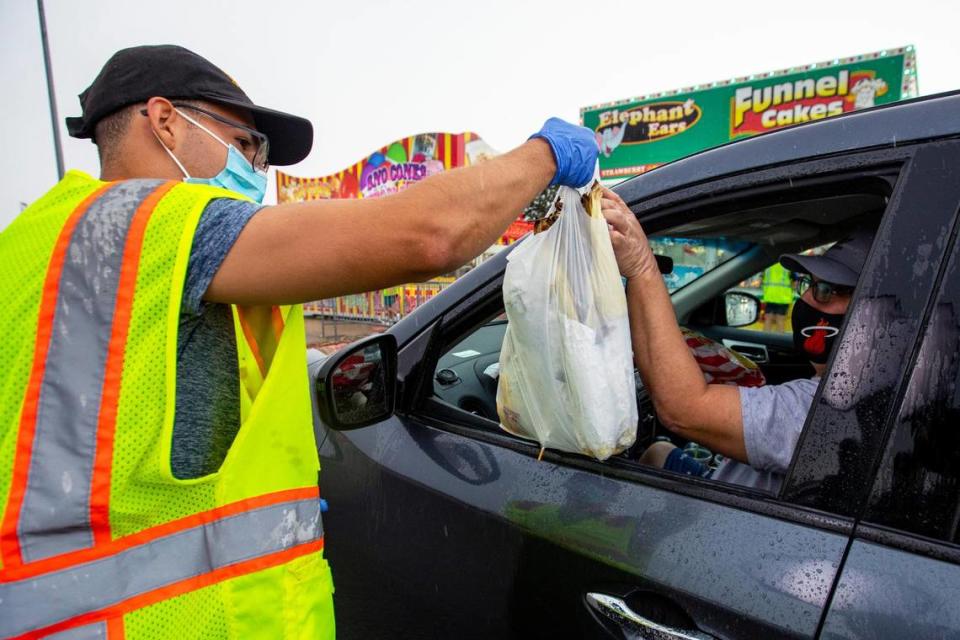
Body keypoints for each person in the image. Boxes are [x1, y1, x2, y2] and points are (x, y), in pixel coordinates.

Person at [0, 45, 598, 639]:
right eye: (246, 145)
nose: (256, 170)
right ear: (164, 123)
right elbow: (426, 236)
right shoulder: (154, 223)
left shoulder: (36, 242)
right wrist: (542, 155)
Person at [598, 187, 873, 493]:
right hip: (734, 488)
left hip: (727, 518)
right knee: (657, 452)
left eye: (827, 291)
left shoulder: (828, 410)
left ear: (870, 313)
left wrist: (642, 266)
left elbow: (682, 410)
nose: (807, 299)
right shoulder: (837, 388)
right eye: (809, 284)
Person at [761, 261, 793, 333]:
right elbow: (794, 281)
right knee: (780, 321)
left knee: (768, 319)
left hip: (770, 296)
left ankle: (765, 340)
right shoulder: (787, 264)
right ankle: (779, 342)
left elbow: (762, 278)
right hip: (783, 298)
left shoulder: (768, 264)